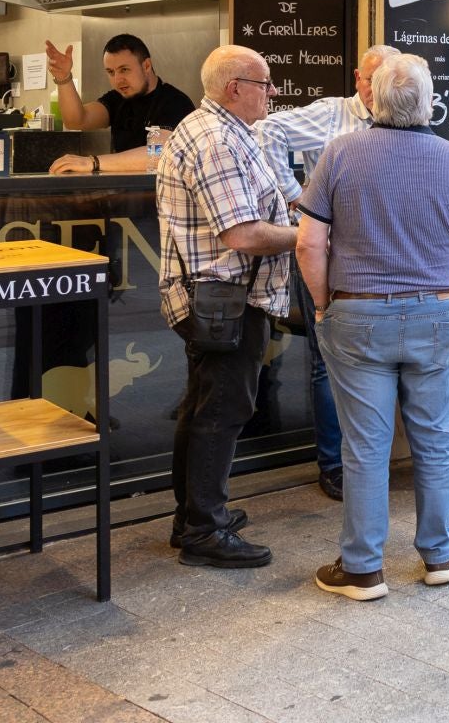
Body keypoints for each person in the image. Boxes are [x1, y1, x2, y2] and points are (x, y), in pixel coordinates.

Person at [294, 54, 449, 600]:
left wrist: (320, 304)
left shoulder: (339, 153)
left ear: (374, 101)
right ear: (430, 103)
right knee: (435, 438)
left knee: (365, 446)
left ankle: (362, 568)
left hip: (356, 313)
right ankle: (439, 555)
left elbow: (309, 242)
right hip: (435, 312)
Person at [157, 45, 296, 567]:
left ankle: (193, 514)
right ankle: (203, 531)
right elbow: (242, 233)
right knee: (222, 410)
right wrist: (305, 237)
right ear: (234, 87)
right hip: (222, 298)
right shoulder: (217, 139)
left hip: (215, 296)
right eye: (265, 83)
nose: (273, 91)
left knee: (202, 407)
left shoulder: (212, 128)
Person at [256, 43, 400, 502]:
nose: (376, 91)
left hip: (382, 256)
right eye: (370, 80)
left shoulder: (403, 116)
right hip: (330, 253)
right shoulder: (332, 114)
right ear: (358, 78)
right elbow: (266, 130)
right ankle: (334, 465)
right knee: (327, 360)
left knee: (376, 355)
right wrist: (296, 195)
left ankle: (370, 459)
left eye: (386, 82)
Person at [46, 34, 197, 174]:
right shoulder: (117, 99)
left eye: (124, 70)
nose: (118, 80)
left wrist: (93, 162)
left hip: (161, 199)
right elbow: (77, 120)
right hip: (124, 196)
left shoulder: (174, 101)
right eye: (111, 72)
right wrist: (64, 78)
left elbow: (157, 154)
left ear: (147, 66)